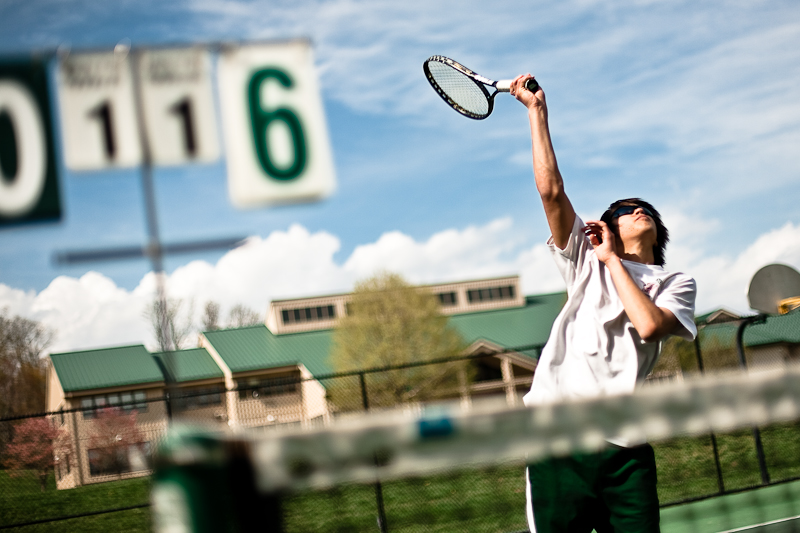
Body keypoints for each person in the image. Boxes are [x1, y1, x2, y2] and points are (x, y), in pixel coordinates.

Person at [510, 74, 698, 533]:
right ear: (607, 226)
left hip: (625, 448)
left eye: (644, 207)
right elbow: (551, 191)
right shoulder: (583, 261)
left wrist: (612, 259)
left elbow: (649, 326)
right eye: (625, 208)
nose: (639, 209)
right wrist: (537, 113)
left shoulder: (675, 281)